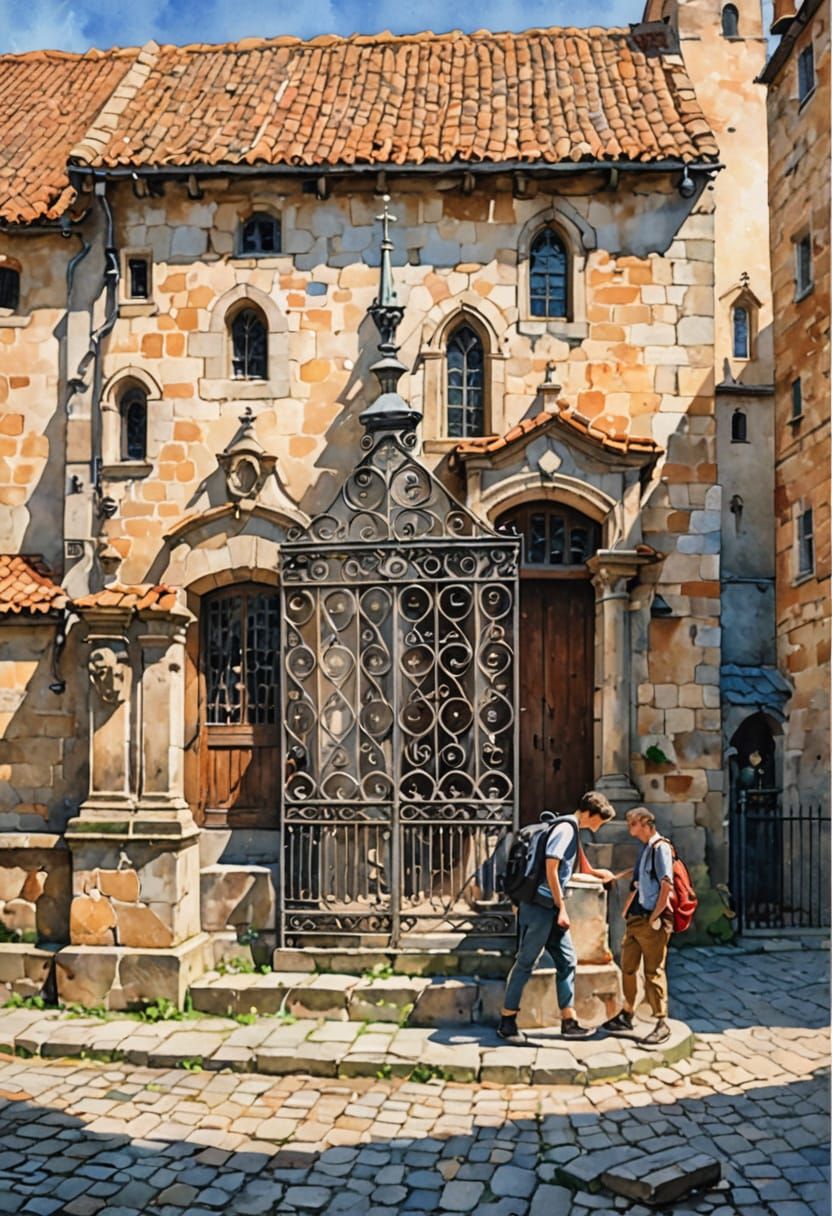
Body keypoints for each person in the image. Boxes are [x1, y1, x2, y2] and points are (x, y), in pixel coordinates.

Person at [498, 791, 616, 1041]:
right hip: (541, 908)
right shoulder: (566, 830)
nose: (598, 827)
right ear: (588, 813)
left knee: (567, 960)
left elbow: (576, 867)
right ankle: (507, 1021)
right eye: (598, 821)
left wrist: (599, 874)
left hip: (549, 908)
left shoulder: (572, 830)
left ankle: (569, 1021)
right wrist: (561, 907)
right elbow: (552, 867)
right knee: (526, 961)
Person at [603, 807, 674, 1046]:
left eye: (632, 824)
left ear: (645, 822)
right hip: (635, 920)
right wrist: (617, 880)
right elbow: (638, 877)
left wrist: (656, 916)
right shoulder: (645, 849)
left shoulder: (660, 847)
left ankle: (661, 1022)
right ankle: (627, 1013)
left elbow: (666, 885)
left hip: (651, 921)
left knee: (653, 971)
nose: (629, 830)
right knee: (628, 967)